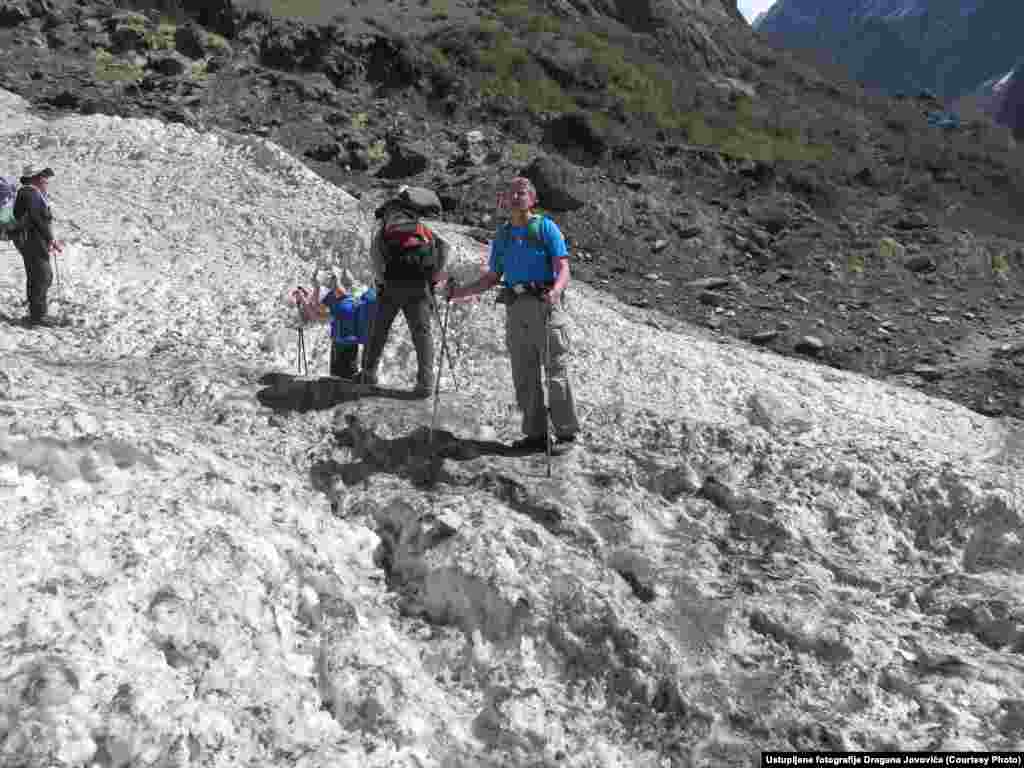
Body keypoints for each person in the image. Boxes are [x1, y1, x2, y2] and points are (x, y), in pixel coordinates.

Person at [447, 176, 580, 453]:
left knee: (555, 371)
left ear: (533, 199)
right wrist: (459, 292)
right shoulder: (503, 235)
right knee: (524, 372)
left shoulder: (546, 227)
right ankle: (535, 434)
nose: (517, 197)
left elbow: (563, 267)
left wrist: (556, 291)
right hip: (516, 307)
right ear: (505, 200)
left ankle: (566, 434)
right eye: (512, 193)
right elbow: (492, 277)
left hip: (544, 303)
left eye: (522, 193)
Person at [361, 189, 450, 398]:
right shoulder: (425, 223)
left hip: (391, 284)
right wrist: (434, 276)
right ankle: (425, 383)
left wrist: (381, 279)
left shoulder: (387, 220)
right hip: (420, 287)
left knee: (378, 330)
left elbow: (376, 252)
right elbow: (444, 248)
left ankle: (368, 373)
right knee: (422, 334)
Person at [12, 166, 62, 326]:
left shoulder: (32, 193)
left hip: (34, 240)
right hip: (32, 240)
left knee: (37, 275)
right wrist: (50, 239)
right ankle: (38, 316)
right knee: (42, 276)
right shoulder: (29, 193)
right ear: (35, 178)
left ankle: (36, 314)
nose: (46, 180)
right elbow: (36, 218)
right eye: (43, 176)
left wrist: (48, 239)